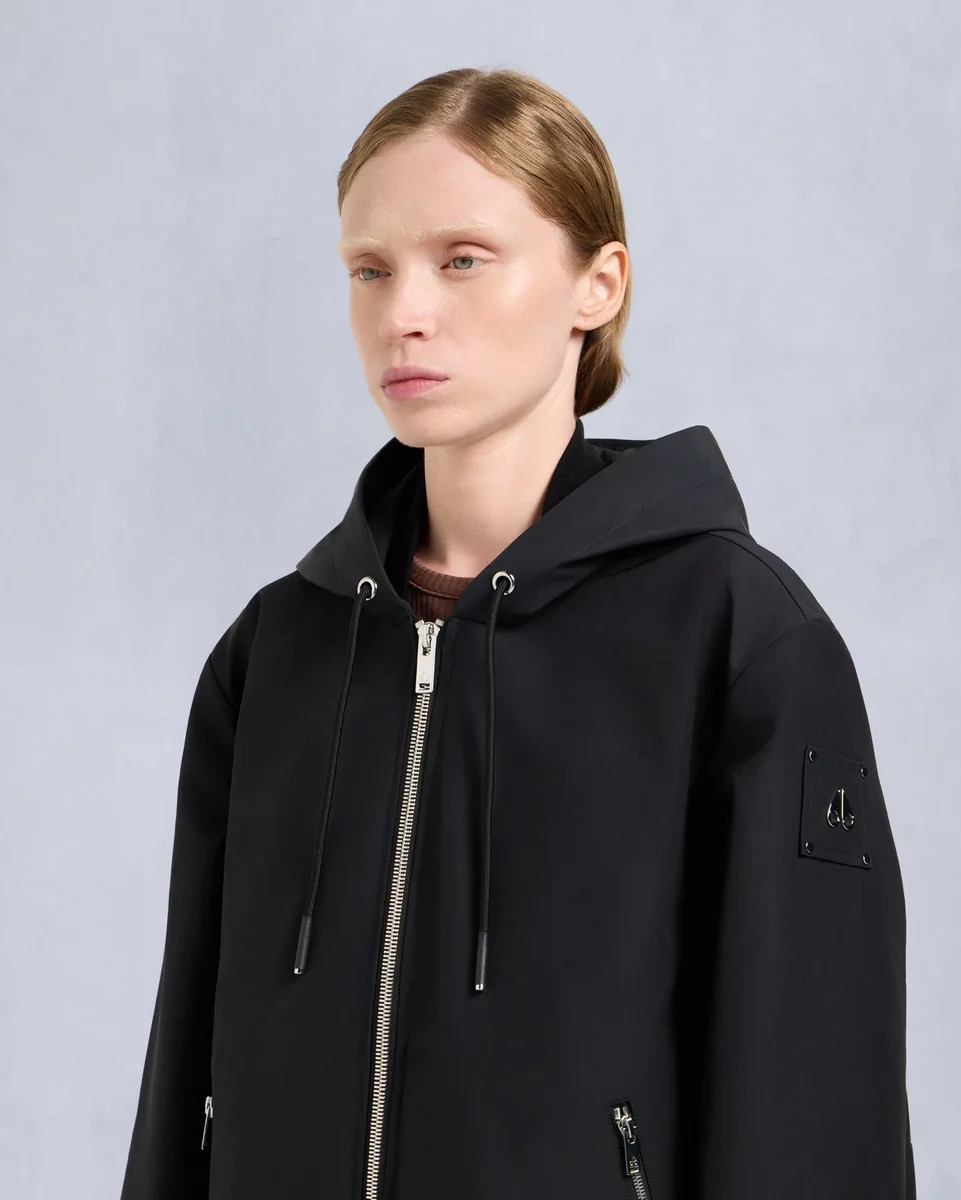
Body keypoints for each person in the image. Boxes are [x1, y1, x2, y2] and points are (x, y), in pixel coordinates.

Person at [120, 67, 915, 1199]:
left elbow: (812, 1096)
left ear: (597, 284)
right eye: (368, 268)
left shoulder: (735, 638)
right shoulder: (278, 649)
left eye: (462, 259)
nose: (402, 312)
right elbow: (184, 1071)